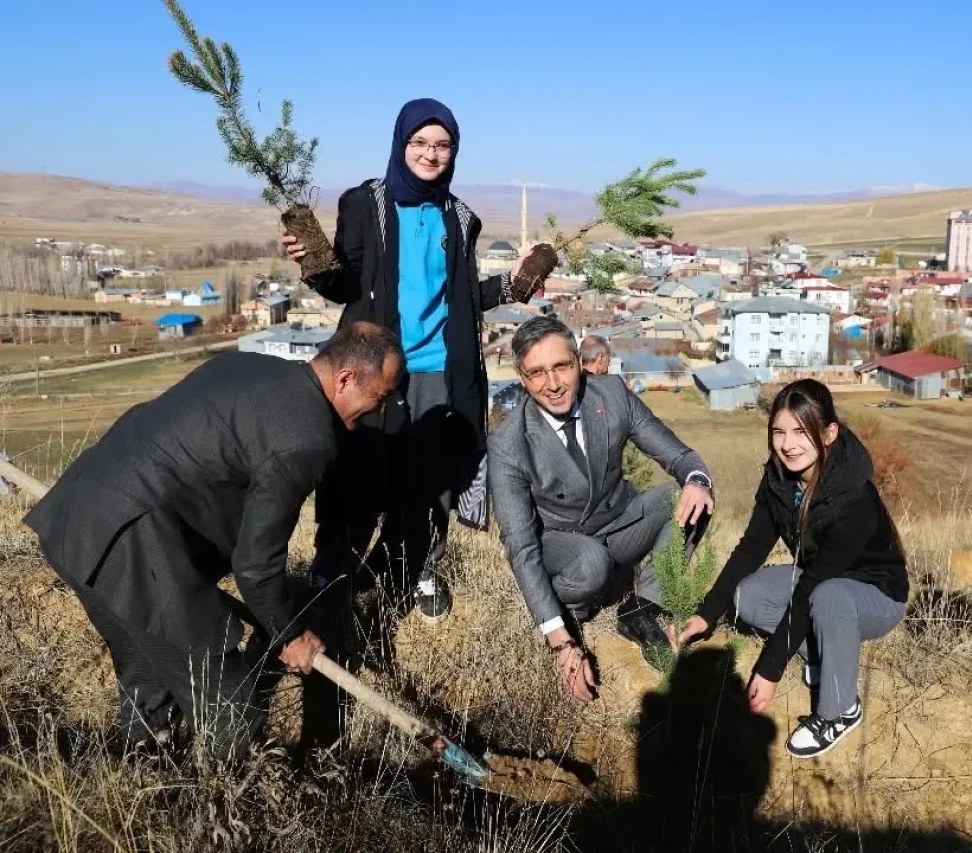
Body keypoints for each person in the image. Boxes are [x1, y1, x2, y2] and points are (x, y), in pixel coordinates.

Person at [23, 323, 404, 760]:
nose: (383, 408)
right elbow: (257, 566)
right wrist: (290, 634)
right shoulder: (306, 437)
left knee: (152, 677)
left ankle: (147, 797)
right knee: (231, 703)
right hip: (133, 543)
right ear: (346, 379)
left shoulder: (245, 366)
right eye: (381, 395)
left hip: (77, 519)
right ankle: (229, 811)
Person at [283, 98, 536, 623]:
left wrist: (513, 284)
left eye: (442, 146)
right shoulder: (364, 204)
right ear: (401, 145)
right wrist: (310, 262)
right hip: (376, 365)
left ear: (454, 152)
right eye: (419, 143)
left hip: (440, 369)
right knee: (355, 469)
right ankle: (334, 566)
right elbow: (345, 283)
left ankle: (413, 566)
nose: (430, 154)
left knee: (429, 479)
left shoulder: (461, 217)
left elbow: (461, 295)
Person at [676, 379, 908, 759]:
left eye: (801, 432)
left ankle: (839, 710)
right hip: (822, 585)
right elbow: (751, 549)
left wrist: (769, 669)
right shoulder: (779, 480)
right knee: (746, 597)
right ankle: (823, 654)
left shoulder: (854, 496)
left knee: (827, 595)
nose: (788, 444)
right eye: (779, 432)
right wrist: (706, 614)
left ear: (829, 433)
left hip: (875, 596)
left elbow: (815, 585)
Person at [488, 316, 714, 701]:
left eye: (561, 366)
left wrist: (696, 479)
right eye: (537, 373)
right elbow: (522, 548)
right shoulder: (509, 443)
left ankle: (640, 607)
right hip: (561, 542)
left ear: (577, 361)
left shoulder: (609, 394)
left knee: (692, 497)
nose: (553, 384)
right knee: (591, 562)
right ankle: (573, 612)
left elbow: (677, 454)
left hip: (618, 522)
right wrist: (561, 644)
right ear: (522, 378)